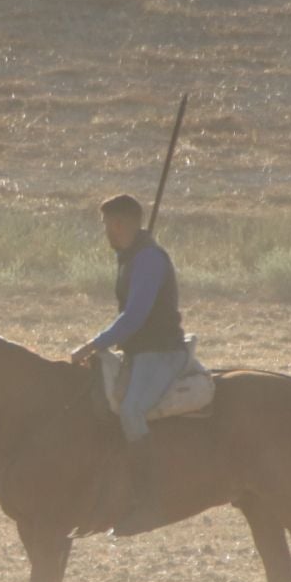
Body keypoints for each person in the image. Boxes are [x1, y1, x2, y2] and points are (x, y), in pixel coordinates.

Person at [71, 194, 187, 537]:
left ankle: (150, 504)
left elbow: (134, 316)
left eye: (106, 224)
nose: (105, 231)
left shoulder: (148, 259)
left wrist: (95, 344)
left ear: (119, 223)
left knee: (132, 410)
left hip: (161, 352)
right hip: (140, 352)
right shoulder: (131, 257)